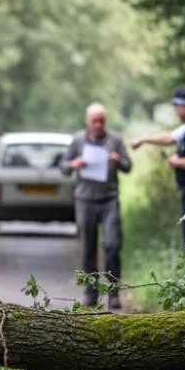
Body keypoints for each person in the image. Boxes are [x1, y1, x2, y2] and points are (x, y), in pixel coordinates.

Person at [129, 85, 185, 260]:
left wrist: (177, 162)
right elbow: (168, 138)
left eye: (176, 107)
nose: (176, 111)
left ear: (183, 107)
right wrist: (143, 140)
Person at [62, 102, 132, 309]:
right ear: (88, 121)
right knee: (88, 249)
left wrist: (118, 160)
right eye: (95, 121)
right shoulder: (78, 140)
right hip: (85, 200)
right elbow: (63, 167)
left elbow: (128, 166)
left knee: (112, 245)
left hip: (109, 199)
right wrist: (73, 164)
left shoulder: (115, 140)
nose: (99, 124)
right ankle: (90, 293)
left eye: (102, 120)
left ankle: (113, 292)